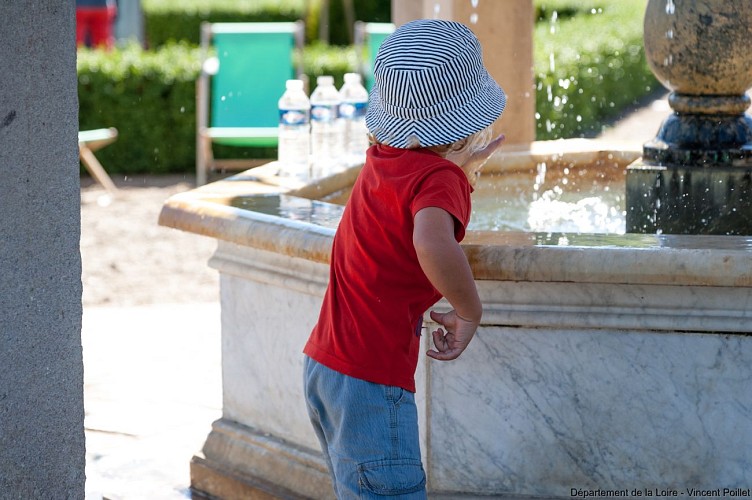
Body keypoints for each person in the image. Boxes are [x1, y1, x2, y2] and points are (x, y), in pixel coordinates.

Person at [302, 19, 507, 499]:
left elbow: (412, 188)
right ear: (468, 121)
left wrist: (459, 166)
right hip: (373, 385)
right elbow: (431, 243)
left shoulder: (382, 157)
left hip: (325, 367)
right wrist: (469, 309)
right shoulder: (440, 180)